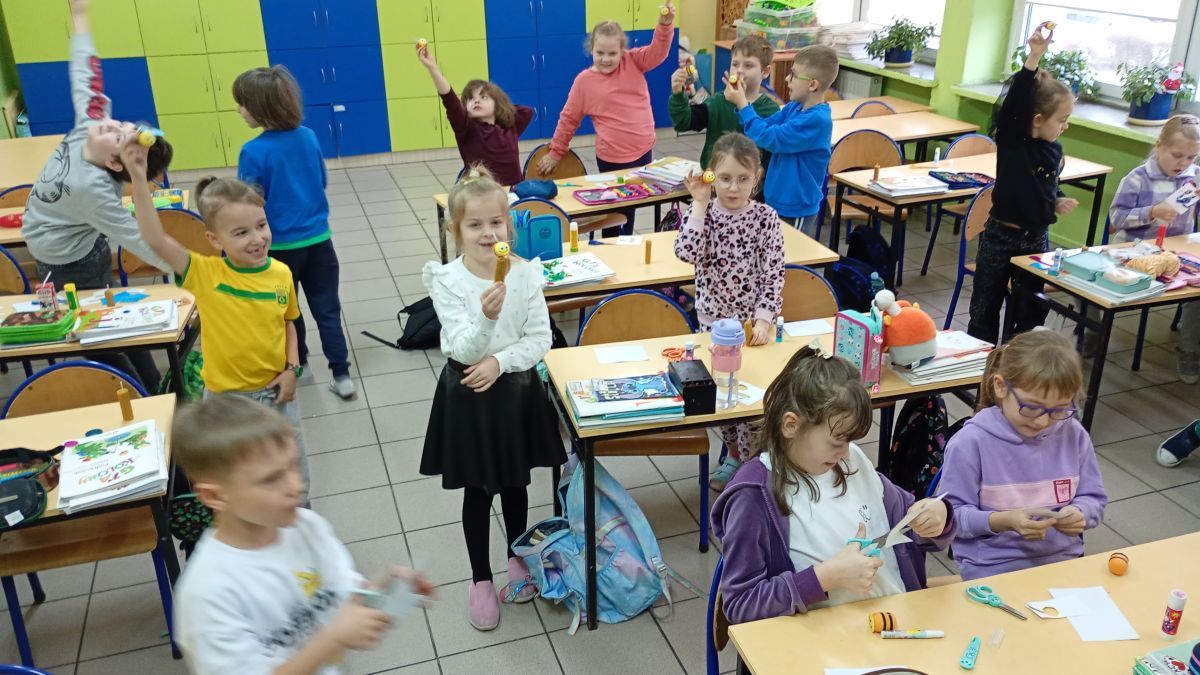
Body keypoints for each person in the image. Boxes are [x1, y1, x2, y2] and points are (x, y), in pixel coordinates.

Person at [172, 396, 434, 673]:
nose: (295, 485)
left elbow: (340, 597)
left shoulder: (306, 526)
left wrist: (385, 587)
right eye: (271, 479)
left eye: (294, 465)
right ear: (215, 496)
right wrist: (332, 639)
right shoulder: (207, 594)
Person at [420, 166, 566, 631]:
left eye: (496, 223)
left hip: (515, 390)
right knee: (479, 490)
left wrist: (500, 363)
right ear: (455, 230)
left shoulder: (524, 274)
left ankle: (516, 558)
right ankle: (480, 579)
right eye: (475, 224)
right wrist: (486, 318)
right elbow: (462, 349)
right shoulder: (447, 280)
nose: (488, 233)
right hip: (469, 396)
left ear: (510, 226)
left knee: (517, 483)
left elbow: (540, 338)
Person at [711, 346, 955, 624]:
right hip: (826, 640)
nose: (847, 453)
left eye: (850, 441)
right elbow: (740, 606)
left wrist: (937, 518)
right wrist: (824, 578)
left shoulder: (851, 462)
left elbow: (910, 527)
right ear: (790, 425)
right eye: (837, 441)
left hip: (894, 622)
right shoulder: (755, 495)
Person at [125, 165, 314, 505]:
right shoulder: (204, 273)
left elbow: (289, 323)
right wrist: (139, 178)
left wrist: (292, 369)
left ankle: (297, 525)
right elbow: (154, 238)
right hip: (227, 402)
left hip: (276, 396)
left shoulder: (281, 274)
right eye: (241, 233)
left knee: (292, 480)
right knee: (238, 482)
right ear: (214, 240)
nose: (257, 239)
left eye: (261, 225)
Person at [20, 0, 172, 392]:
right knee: (112, 328)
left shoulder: (94, 189)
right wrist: (81, 16)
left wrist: (190, 269)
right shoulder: (89, 125)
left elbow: (134, 236)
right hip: (62, 255)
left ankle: (148, 395)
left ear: (115, 162)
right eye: (122, 124)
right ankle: (155, 389)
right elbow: (85, 75)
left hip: (73, 265)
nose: (111, 123)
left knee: (99, 340)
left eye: (118, 135)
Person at [938, 330, 1107, 581]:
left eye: (1058, 410)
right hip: (991, 567)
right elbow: (951, 518)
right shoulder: (971, 442)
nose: (1042, 421)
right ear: (1000, 386)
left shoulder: (1073, 434)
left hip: (1062, 560)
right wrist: (1003, 521)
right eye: (1031, 407)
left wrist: (1081, 513)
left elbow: (1094, 499)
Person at [234, 65, 356, 400]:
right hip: (319, 242)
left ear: (259, 108)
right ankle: (341, 375)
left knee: (289, 310)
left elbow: (249, 202)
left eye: (242, 104)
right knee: (327, 310)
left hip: (278, 249)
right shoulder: (308, 136)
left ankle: (298, 365)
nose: (239, 110)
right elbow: (322, 180)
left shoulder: (253, 151)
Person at [674, 132, 784, 490]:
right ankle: (734, 454)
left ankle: (752, 461)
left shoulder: (765, 218)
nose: (733, 187)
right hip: (712, 326)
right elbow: (686, 252)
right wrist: (700, 203)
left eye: (742, 178)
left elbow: (773, 273)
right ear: (711, 177)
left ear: (757, 177)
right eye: (724, 178)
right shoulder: (703, 214)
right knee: (723, 396)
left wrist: (764, 318)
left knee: (752, 394)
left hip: (752, 327)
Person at [967, 23, 1078, 344]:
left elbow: (1045, 184)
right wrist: (1034, 58)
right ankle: (980, 357)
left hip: (1036, 238)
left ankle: (1019, 356)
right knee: (985, 305)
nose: (1065, 127)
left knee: (1030, 309)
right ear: (1037, 119)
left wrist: (1057, 198)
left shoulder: (1053, 149)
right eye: (1061, 120)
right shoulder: (1013, 142)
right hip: (1001, 236)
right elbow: (1013, 105)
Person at [537, 3, 676, 236]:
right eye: (600, 53)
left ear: (623, 51)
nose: (605, 59)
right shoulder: (584, 82)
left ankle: (625, 245)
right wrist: (556, 152)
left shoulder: (634, 61)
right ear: (591, 49)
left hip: (643, 151)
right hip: (612, 159)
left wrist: (665, 24)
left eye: (612, 53)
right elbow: (568, 119)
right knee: (614, 213)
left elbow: (658, 52)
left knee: (631, 208)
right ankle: (611, 249)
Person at [1109, 114, 1200, 382]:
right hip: (1132, 251)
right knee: (1094, 279)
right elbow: (1116, 219)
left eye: (1191, 157)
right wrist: (1151, 212)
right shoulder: (1137, 178)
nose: (1183, 164)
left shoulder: (1195, 178)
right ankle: (1091, 330)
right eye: (1177, 155)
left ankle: (1188, 348)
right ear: (1159, 145)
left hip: (1175, 254)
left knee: (1197, 293)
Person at [727, 44, 837, 239]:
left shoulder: (816, 120)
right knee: (772, 252)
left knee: (790, 255)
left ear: (812, 84)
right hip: (777, 200)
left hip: (796, 208)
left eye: (793, 75)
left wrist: (743, 104)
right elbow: (764, 127)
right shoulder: (795, 107)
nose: (787, 78)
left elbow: (770, 138)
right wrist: (743, 102)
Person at [416, 45, 534, 186]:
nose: (476, 101)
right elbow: (450, 99)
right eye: (471, 99)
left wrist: (500, 107)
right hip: (481, 192)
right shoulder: (467, 128)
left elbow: (527, 111)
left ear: (497, 104)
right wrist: (433, 68)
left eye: (484, 97)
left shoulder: (510, 127)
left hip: (512, 191)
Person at [668, 35, 780, 173]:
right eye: (735, 64)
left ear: (765, 71)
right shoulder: (717, 101)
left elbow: (772, 156)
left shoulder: (771, 110)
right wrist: (678, 94)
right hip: (714, 180)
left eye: (748, 65)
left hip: (751, 182)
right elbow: (683, 123)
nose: (739, 70)